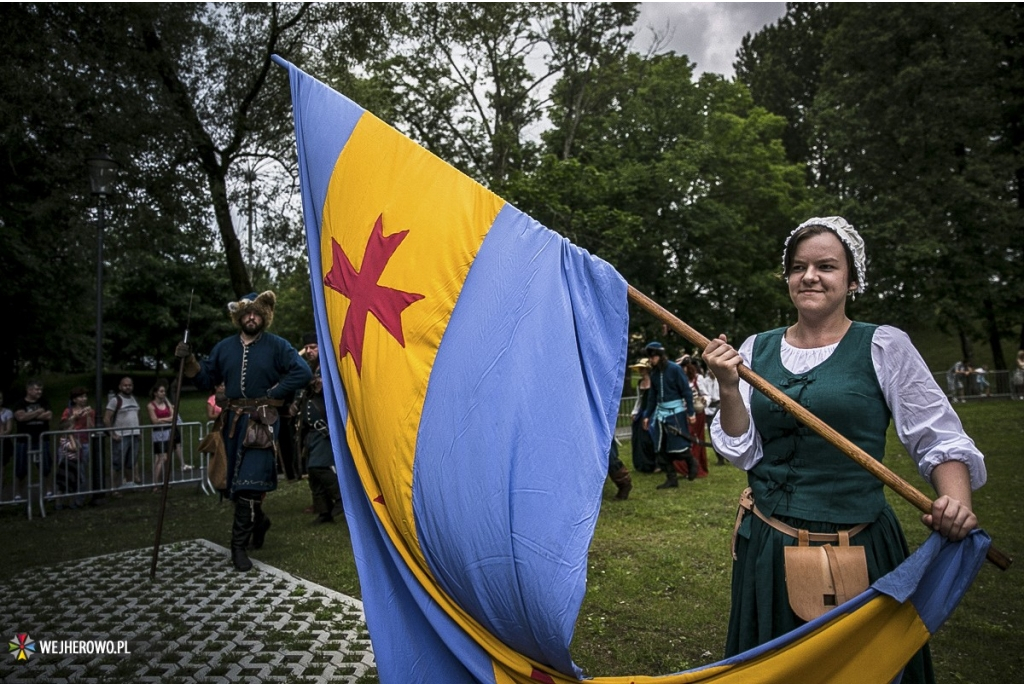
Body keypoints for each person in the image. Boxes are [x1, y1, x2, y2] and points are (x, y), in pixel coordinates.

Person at [704, 216, 985, 681]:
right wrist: (730, 388)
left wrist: (955, 502)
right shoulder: (757, 348)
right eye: (798, 267)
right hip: (769, 543)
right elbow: (743, 452)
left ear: (853, 280)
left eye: (826, 266)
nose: (809, 276)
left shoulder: (884, 346)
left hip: (860, 542)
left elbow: (939, 436)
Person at [175, 291, 312, 571]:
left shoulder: (277, 345)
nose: (252, 317)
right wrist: (189, 362)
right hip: (231, 424)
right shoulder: (225, 347)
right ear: (239, 317)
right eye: (247, 313)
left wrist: (276, 391)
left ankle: (237, 548)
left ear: (264, 316)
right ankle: (259, 522)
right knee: (234, 487)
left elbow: (302, 373)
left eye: (257, 313)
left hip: (260, 423)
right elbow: (205, 379)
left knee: (249, 482)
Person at [641, 341, 698, 489]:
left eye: (653, 357)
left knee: (679, 448)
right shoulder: (654, 373)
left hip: (675, 414)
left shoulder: (674, 369)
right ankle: (671, 479)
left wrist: (691, 412)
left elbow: (686, 391)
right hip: (660, 415)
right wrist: (647, 415)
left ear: (660, 356)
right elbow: (653, 396)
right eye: (650, 357)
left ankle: (691, 462)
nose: (651, 360)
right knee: (660, 449)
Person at [300, 368, 344, 523]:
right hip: (312, 435)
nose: (318, 381)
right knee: (313, 474)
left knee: (319, 467)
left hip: (326, 435)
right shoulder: (309, 392)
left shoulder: (330, 392)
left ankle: (341, 498)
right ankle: (324, 512)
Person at [12, 380, 53, 501]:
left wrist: (29, 415)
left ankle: (49, 491)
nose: (39, 392)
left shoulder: (44, 402)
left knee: (46, 467)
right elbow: (20, 417)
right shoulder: (20, 403)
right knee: (21, 469)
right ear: (29, 390)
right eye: (36, 389)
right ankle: (17, 494)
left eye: (40, 390)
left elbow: (49, 416)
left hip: (41, 439)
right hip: (23, 440)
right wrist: (37, 412)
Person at [58, 387, 95, 507]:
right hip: (68, 443)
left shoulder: (91, 411)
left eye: (85, 396)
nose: (84, 399)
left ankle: (78, 500)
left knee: (81, 472)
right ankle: (61, 500)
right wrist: (75, 416)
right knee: (64, 471)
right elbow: (63, 425)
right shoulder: (68, 411)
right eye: (81, 397)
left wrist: (88, 416)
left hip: (84, 443)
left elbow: (91, 429)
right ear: (74, 399)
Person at [104, 377, 142, 491]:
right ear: (120, 386)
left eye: (130, 385)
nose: (128, 387)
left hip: (134, 435)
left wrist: (140, 430)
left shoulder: (134, 399)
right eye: (125, 385)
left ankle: (129, 484)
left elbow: (139, 415)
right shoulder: (115, 400)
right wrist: (112, 434)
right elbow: (107, 418)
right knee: (117, 463)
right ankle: (114, 488)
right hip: (121, 436)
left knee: (131, 462)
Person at [148, 380, 184, 492]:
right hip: (159, 434)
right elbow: (154, 421)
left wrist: (162, 420)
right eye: (161, 391)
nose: (163, 393)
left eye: (164, 391)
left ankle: (165, 482)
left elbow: (173, 417)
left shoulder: (167, 403)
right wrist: (166, 420)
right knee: (161, 458)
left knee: (167, 458)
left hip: (169, 433)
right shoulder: (151, 405)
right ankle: (155, 484)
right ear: (155, 393)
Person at [680, 360, 709, 479]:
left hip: (697, 414)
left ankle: (696, 466)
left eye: (683, 367)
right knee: (686, 440)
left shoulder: (698, 379)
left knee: (696, 439)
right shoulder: (680, 379)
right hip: (684, 413)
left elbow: (706, 395)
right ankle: (687, 467)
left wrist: (704, 400)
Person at [628, 358, 657, 473]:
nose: (640, 370)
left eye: (642, 368)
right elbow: (639, 399)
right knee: (639, 438)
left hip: (653, 411)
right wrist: (634, 412)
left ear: (647, 369)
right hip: (642, 411)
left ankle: (655, 463)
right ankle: (642, 464)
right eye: (639, 368)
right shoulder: (640, 383)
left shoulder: (654, 381)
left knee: (650, 438)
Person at [699, 368, 724, 465]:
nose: (712, 372)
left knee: (724, 433)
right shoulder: (704, 381)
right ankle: (719, 457)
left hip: (720, 407)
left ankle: (726, 455)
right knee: (712, 434)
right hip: (709, 409)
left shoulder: (721, 379)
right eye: (710, 370)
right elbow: (704, 394)